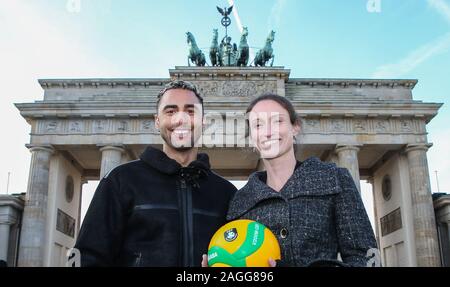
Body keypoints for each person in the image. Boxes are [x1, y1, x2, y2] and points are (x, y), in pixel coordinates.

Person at [75, 80, 236, 266]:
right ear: (157, 121)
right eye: (171, 111)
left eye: (190, 111)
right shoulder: (121, 181)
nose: (180, 119)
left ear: (203, 121)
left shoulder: (226, 193)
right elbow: (86, 256)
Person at [215, 93, 378, 267]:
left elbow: (368, 259)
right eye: (258, 125)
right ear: (252, 137)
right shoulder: (240, 202)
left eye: (277, 121)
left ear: (295, 127)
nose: (268, 132)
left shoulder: (333, 179)